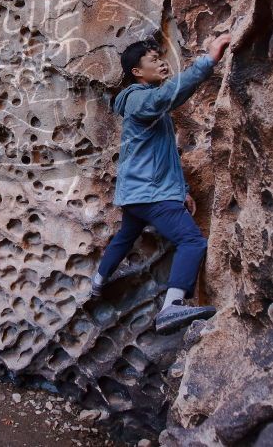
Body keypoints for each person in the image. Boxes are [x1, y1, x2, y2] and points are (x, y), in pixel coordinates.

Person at [91, 32, 232, 333]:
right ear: (137, 72)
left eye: (162, 58)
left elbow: (164, 154)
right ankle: (171, 309)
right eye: (154, 60)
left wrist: (182, 190)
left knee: (125, 237)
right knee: (191, 241)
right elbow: (167, 96)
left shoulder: (147, 106)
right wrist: (209, 60)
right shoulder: (140, 99)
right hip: (150, 194)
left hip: (137, 195)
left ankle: (98, 281)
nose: (162, 63)